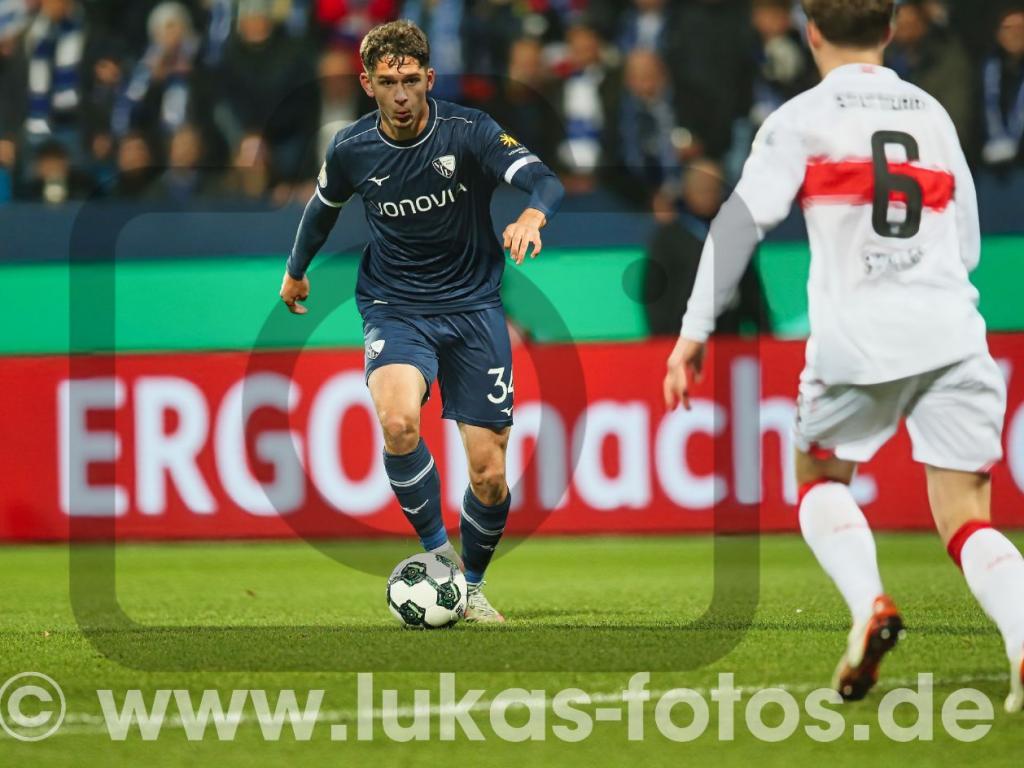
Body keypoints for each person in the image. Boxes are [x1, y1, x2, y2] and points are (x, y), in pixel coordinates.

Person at [664, 0, 1024, 712]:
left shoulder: (801, 117)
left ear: (813, 32)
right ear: (890, 31)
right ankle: (1019, 638)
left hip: (856, 338)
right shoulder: (932, 113)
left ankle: (869, 608)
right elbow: (970, 241)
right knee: (968, 516)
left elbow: (737, 229)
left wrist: (693, 332)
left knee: (819, 476)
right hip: (953, 331)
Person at [279, 20, 564, 623]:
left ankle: (475, 584)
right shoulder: (352, 148)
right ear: (367, 84)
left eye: (411, 80)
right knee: (399, 421)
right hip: (395, 305)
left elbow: (543, 178)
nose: (402, 94)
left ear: (429, 78)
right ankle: (442, 565)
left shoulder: (470, 132)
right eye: (388, 82)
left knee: (489, 474)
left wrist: (534, 215)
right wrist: (296, 270)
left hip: (475, 309)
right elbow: (321, 208)